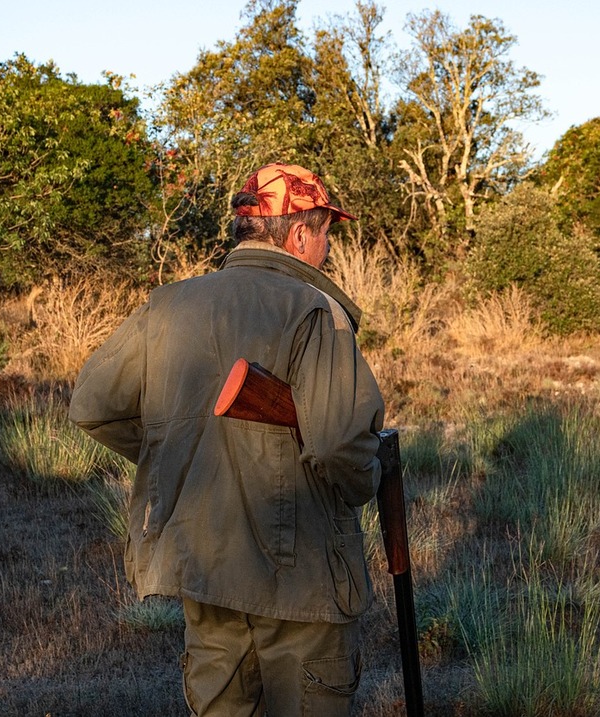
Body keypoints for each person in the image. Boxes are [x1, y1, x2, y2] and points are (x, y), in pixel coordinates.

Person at [68, 163, 386, 715]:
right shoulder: (316, 309)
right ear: (299, 234)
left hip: (206, 568)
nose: (328, 247)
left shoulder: (168, 304)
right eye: (325, 233)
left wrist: (177, 449)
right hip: (303, 579)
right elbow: (340, 446)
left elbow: (91, 406)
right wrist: (373, 475)